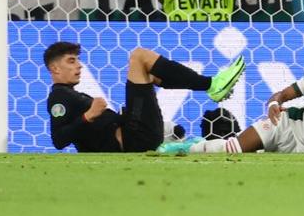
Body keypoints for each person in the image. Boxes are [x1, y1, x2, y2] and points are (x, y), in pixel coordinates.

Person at [165, 44, 304, 154]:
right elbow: (282, 95)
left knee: (251, 157)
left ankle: (199, 144)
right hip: (286, 126)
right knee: (233, 149)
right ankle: (182, 148)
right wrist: (275, 104)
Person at [45, 41, 244, 152]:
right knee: (140, 56)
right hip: (134, 138)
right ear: (54, 68)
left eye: (77, 60)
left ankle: (210, 85)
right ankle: (211, 85)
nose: (78, 65)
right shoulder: (59, 97)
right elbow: (59, 140)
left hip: (135, 134)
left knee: (150, 73)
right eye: (71, 61)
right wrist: (88, 116)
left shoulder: (70, 94)